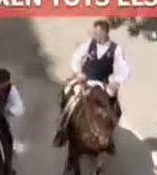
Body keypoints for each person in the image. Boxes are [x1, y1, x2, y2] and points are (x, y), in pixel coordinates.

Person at [54, 20, 130, 149]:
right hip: (85, 80)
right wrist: (78, 73)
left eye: (98, 32)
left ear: (106, 32)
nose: (95, 35)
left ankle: (108, 136)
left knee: (114, 110)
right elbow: (76, 59)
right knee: (67, 94)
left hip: (102, 84)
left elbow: (124, 70)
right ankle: (63, 128)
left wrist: (115, 81)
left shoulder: (116, 49)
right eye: (94, 32)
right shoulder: (88, 44)